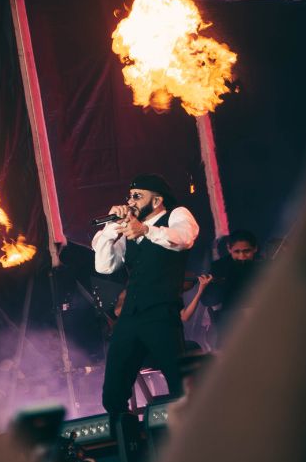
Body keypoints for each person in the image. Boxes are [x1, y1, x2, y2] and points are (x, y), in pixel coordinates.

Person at [92, 174, 199, 416]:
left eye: (138, 196)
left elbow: (184, 238)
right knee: (113, 393)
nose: (131, 202)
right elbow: (104, 266)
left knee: (180, 384)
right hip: (130, 316)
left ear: (157, 200)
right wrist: (111, 229)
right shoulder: (127, 228)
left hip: (161, 312)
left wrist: (146, 230)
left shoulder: (177, 214)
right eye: (129, 196)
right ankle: (129, 441)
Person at [204, 230, 264, 341]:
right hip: (229, 321)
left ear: (255, 248)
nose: (242, 256)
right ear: (229, 248)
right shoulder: (219, 267)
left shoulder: (263, 266)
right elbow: (207, 300)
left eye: (247, 251)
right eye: (237, 252)